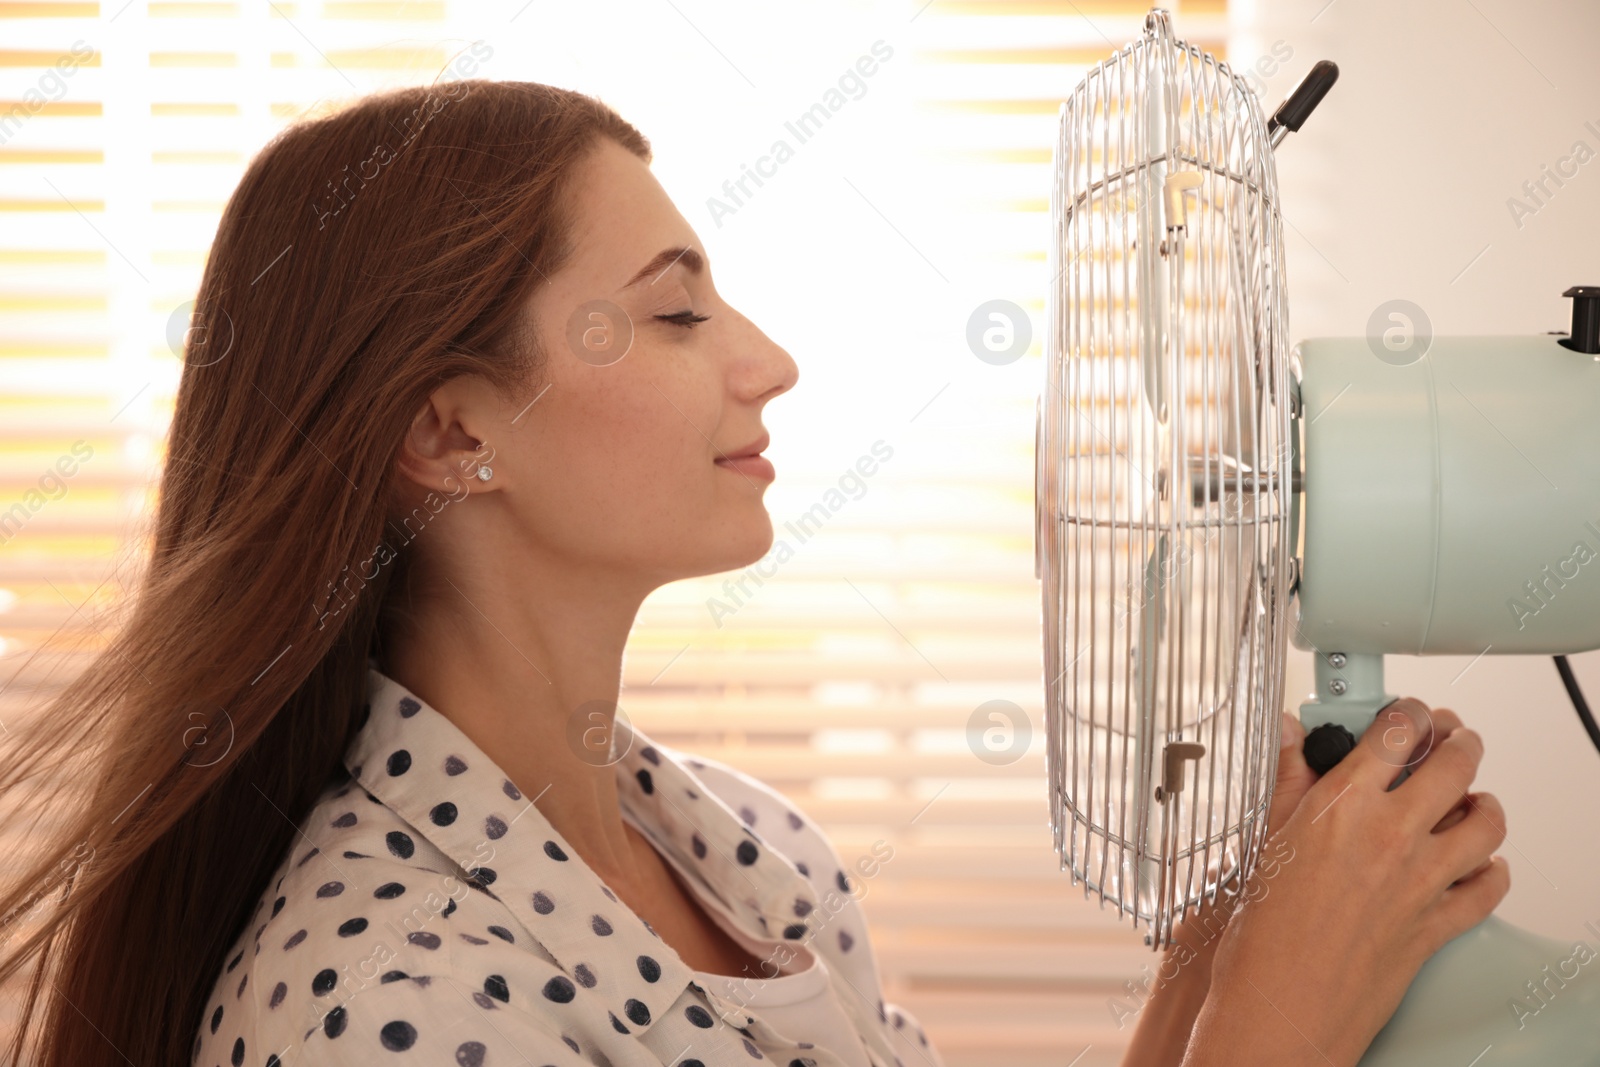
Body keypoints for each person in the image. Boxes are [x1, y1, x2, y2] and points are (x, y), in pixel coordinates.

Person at [0, 78, 1507, 1067]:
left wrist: (1212, 966)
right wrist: (1277, 1028)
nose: (770, 364)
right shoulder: (385, 1006)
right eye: (671, 319)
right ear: (454, 432)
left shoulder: (747, 851)